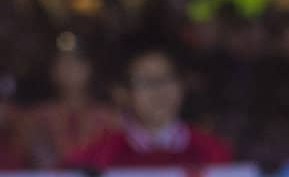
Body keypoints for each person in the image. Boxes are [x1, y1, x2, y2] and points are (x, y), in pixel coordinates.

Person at [65, 37, 233, 169]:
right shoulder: (99, 156)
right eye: (145, 81)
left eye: (167, 78)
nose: (159, 90)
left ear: (183, 85)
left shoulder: (212, 151)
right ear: (122, 93)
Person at [23, 34, 120, 169]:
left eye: (76, 61)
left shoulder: (109, 117)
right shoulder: (37, 116)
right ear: (53, 70)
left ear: (89, 68)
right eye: (62, 61)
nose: (69, 67)